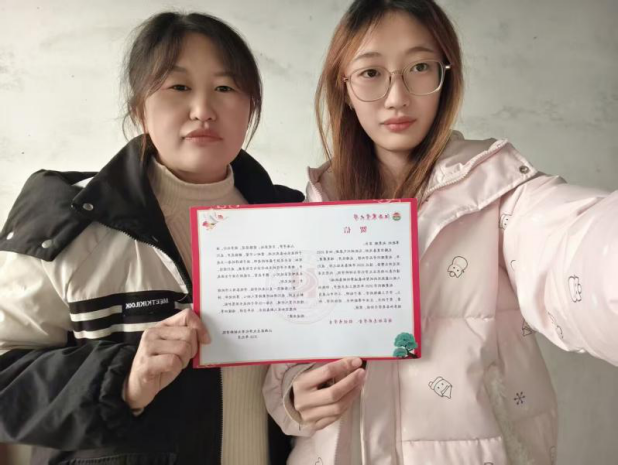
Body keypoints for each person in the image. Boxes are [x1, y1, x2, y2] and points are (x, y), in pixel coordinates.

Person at [263, 1, 618, 464]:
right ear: (343, 86)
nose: (397, 97)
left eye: (420, 67)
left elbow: (571, 244)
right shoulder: (310, 207)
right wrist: (295, 397)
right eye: (371, 73)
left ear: (445, 75)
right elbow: (286, 359)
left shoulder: (499, 191)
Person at [0, 11, 302, 465]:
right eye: (178, 87)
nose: (203, 109)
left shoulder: (293, 219)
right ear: (140, 106)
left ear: (251, 107)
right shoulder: (67, 220)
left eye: (225, 88)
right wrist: (124, 379)